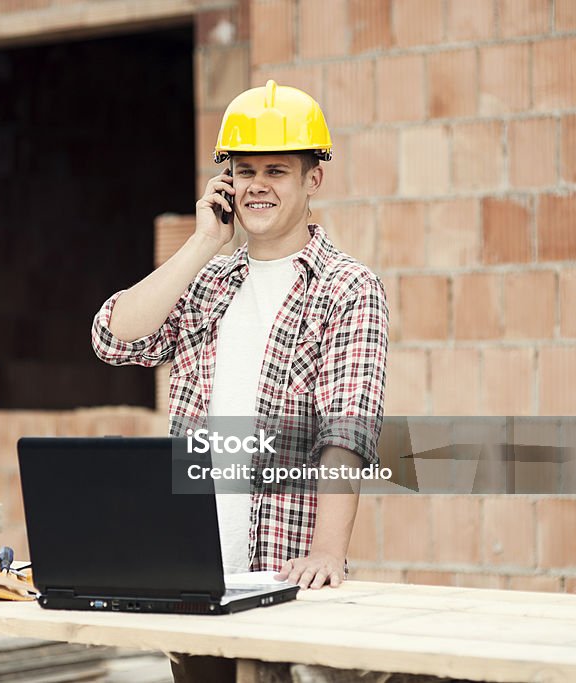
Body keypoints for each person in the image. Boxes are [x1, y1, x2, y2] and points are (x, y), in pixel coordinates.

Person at [91, 80, 389, 681]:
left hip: (281, 575)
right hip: (193, 572)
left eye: (277, 170)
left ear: (314, 181)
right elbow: (113, 338)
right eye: (243, 168)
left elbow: (346, 431)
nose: (257, 184)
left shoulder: (348, 289)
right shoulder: (208, 281)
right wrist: (204, 241)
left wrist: (328, 552)